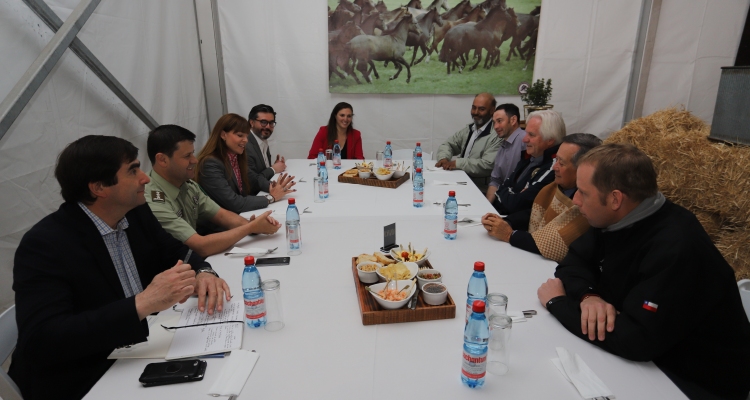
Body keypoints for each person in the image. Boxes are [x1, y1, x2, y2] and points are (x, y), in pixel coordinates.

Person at [10, 136, 230, 399]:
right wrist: (143, 303)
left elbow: (177, 251)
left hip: (139, 352)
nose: (146, 178)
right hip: (87, 375)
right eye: (133, 170)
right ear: (99, 187)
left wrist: (204, 273)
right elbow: (43, 339)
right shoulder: (46, 244)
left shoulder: (135, 213)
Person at [537, 144, 750, 400]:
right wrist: (588, 296)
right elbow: (574, 261)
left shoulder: (677, 247)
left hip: (691, 381)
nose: (576, 200)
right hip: (648, 357)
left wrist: (557, 303)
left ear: (615, 199)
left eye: (583, 192)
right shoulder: (615, 218)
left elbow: (636, 339)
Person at [145, 124, 281, 257]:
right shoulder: (151, 200)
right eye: (187, 156)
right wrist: (250, 228)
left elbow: (221, 215)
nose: (195, 160)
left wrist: (255, 225)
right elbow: (201, 247)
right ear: (162, 160)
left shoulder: (187, 185)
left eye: (192, 153)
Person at [481, 133, 601, 262]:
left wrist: (510, 235)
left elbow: (555, 243)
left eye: (562, 163)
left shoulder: (588, 204)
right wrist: (507, 221)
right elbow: (534, 213)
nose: (554, 167)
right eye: (556, 160)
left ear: (581, 170)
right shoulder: (554, 187)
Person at [196, 113, 296, 214]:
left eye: (246, 136)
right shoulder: (210, 164)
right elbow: (234, 203)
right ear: (223, 135)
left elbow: (253, 180)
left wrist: (274, 187)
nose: (245, 140)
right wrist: (271, 197)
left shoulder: (236, 157)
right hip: (221, 224)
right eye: (240, 135)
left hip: (239, 216)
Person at [491, 109, 565, 215]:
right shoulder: (529, 157)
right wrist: (511, 194)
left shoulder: (554, 167)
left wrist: (508, 192)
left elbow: (516, 205)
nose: (524, 139)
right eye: (526, 133)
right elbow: (501, 188)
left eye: (531, 135)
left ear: (550, 140)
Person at [434, 93, 502, 191]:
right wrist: (443, 158)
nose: (476, 112)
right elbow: (448, 144)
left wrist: (458, 163)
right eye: (474, 108)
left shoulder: (496, 134)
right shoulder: (469, 129)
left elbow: (487, 165)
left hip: (479, 189)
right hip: (459, 181)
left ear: (492, 110)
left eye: (481, 109)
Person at [485, 103, 526, 203]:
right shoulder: (504, 144)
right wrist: (487, 206)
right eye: (494, 122)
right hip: (503, 200)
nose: (495, 126)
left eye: (499, 121)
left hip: (517, 203)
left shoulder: (525, 141)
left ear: (513, 120)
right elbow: (495, 180)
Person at [245, 104, 287, 192]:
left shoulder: (262, 140)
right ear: (252, 123)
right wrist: (273, 169)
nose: (268, 126)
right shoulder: (246, 145)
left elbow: (260, 171)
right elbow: (253, 182)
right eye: (263, 122)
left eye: (271, 123)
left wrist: (272, 166)